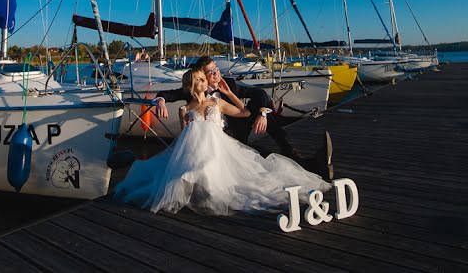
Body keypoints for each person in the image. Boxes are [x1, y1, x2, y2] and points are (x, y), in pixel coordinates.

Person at [114, 68, 332, 214]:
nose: (203, 82)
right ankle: (193, 177)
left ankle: (309, 162)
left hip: (220, 145)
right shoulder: (184, 109)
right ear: (190, 85)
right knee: (180, 175)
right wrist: (161, 100)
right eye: (198, 80)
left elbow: (245, 113)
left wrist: (256, 108)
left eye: (203, 78)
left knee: (250, 173)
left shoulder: (216, 102)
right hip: (192, 149)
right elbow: (184, 136)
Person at [154, 56, 332, 180]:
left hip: (236, 131)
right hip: (213, 144)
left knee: (265, 115)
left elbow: (259, 94)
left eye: (216, 69)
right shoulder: (194, 92)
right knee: (261, 157)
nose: (217, 74)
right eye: (211, 72)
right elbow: (167, 94)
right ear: (202, 77)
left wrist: (261, 113)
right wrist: (160, 101)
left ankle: (296, 155)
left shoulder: (228, 83)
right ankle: (308, 167)